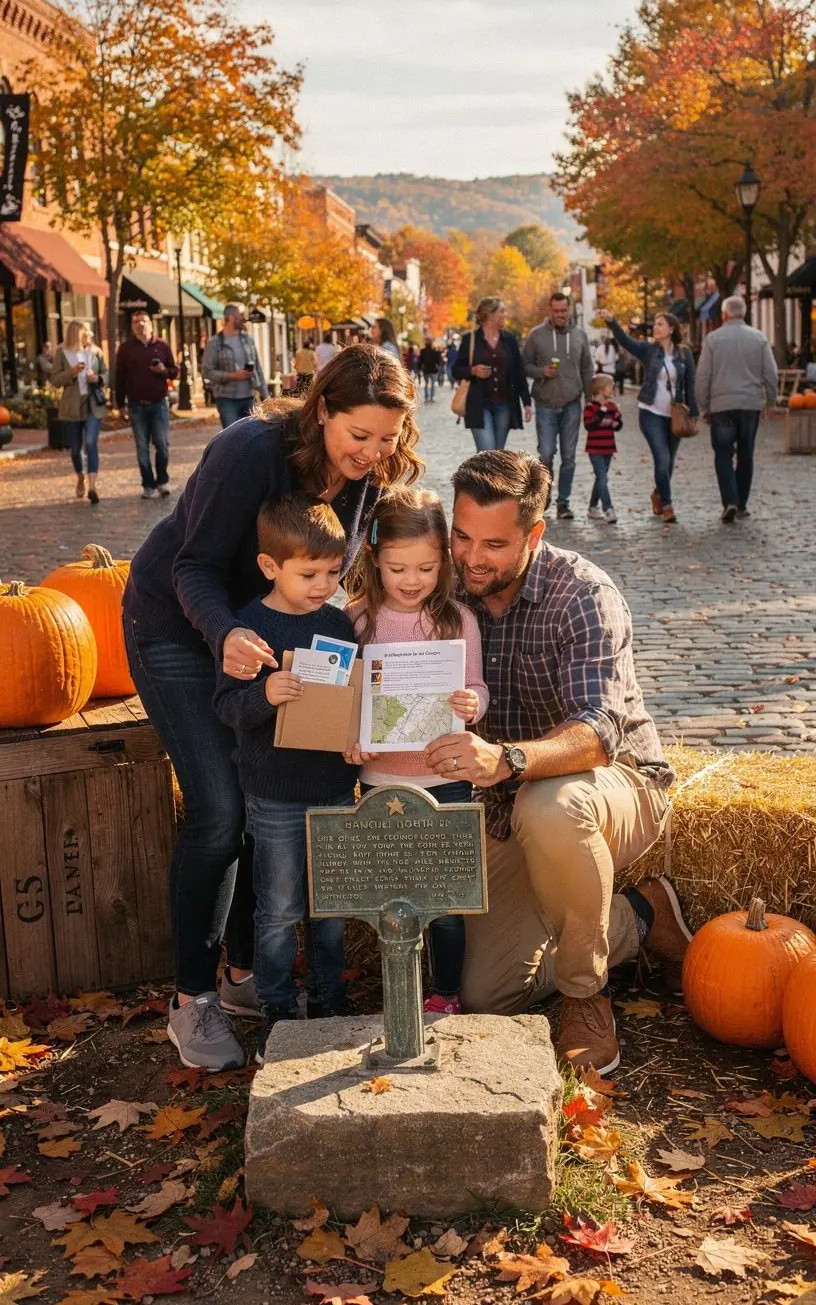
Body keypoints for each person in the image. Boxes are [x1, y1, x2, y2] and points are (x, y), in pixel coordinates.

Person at [123, 346, 421, 1071]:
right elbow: (192, 564)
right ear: (323, 410)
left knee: (272, 790)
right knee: (221, 807)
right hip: (177, 624)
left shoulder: (369, 476)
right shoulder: (247, 451)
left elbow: (344, 575)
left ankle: (244, 975)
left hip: (270, 636)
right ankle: (191, 1000)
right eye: (359, 436)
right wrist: (225, 634)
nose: (372, 453)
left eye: (388, 439)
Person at [424, 449, 690, 1075]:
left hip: (615, 785)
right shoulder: (443, 591)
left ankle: (584, 993)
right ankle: (642, 914)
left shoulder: (584, 594)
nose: (470, 557)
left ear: (534, 534)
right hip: (501, 805)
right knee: (487, 992)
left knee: (551, 805)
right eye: (461, 536)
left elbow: (599, 732)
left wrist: (508, 760)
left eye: (493, 543)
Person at [212, 493, 359, 1062]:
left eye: (332, 571)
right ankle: (276, 1004)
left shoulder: (338, 623)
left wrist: (354, 734)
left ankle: (329, 997)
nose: (323, 584)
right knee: (277, 908)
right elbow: (226, 705)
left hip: (330, 788)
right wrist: (264, 695)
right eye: (309, 573)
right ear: (271, 567)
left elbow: (351, 697)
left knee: (331, 905)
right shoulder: (249, 627)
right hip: (272, 793)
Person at [345, 487, 489, 1016]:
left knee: (446, 901)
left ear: (444, 563)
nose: (411, 581)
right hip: (378, 777)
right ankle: (397, 989)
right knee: (391, 893)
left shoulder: (458, 621)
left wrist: (472, 703)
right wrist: (351, 736)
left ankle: (445, 992)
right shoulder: (358, 619)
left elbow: (477, 685)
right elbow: (348, 698)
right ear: (375, 560)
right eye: (397, 568)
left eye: (426, 569)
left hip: (445, 775)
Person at [600, 309, 698, 525]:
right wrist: (612, 321)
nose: (656, 328)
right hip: (650, 412)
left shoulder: (684, 354)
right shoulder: (648, 350)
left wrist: (695, 412)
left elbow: (690, 384)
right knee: (661, 458)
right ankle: (667, 505)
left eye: (661, 324)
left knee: (669, 461)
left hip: (675, 415)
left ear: (671, 329)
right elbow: (625, 341)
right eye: (655, 324)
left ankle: (657, 493)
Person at [694, 295, 779, 523]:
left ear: (724, 314)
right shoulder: (759, 338)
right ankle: (741, 504)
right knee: (746, 454)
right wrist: (771, 401)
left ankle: (730, 500)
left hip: (721, 405)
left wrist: (702, 405)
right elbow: (770, 373)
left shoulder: (713, 339)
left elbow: (703, 375)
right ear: (744, 313)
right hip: (750, 404)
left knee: (723, 453)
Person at [522, 292, 594, 520]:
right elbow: (524, 365)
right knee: (546, 454)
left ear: (569, 310)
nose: (561, 314)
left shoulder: (580, 335)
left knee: (569, 456)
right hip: (545, 403)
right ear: (550, 311)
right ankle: (544, 497)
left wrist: (590, 400)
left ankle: (564, 503)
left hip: (572, 403)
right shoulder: (536, 336)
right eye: (556, 311)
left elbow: (587, 369)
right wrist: (541, 372)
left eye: (564, 310)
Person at [453, 297, 532, 451]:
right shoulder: (470, 340)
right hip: (478, 405)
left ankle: (487, 476)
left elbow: (518, 372)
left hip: (504, 405)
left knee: (497, 454)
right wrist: (473, 371)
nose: (505, 315)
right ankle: (482, 475)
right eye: (501, 311)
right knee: (486, 452)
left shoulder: (509, 340)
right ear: (490, 315)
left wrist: (527, 403)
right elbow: (456, 370)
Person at [115, 311, 179, 499]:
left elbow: (175, 372)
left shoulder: (161, 346)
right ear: (132, 326)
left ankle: (162, 481)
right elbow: (119, 377)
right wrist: (119, 404)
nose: (139, 324)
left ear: (150, 324)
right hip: (136, 405)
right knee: (142, 447)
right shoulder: (126, 349)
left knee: (162, 444)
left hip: (158, 403)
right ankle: (148, 484)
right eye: (135, 321)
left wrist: (163, 370)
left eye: (143, 320)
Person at [52, 321, 108, 506]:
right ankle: (80, 478)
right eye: (85, 334)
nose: (88, 337)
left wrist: (98, 378)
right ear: (76, 334)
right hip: (72, 407)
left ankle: (93, 486)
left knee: (91, 442)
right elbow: (55, 380)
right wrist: (72, 372)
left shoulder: (96, 351)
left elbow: (106, 374)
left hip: (92, 405)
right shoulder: (62, 352)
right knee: (75, 449)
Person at [202, 303, 269, 429]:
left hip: (249, 397)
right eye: (241, 315)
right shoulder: (214, 343)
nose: (244, 318)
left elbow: (258, 369)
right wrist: (232, 376)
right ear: (231, 317)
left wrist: (266, 397)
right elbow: (207, 372)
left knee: (252, 435)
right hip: (226, 400)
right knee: (233, 436)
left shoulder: (248, 340)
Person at [584, 374, 622, 524]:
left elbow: (618, 426)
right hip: (595, 449)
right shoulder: (590, 407)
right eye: (610, 386)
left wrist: (617, 421)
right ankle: (608, 509)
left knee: (601, 479)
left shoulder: (612, 407)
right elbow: (589, 425)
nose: (613, 388)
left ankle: (592, 508)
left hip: (609, 448)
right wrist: (601, 411)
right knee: (602, 478)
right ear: (601, 390)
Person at [420, 337, 439, 403]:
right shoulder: (432, 351)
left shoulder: (433, 351)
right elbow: (421, 361)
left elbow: (420, 361)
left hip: (430, 369)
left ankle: (430, 397)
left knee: (429, 384)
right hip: (429, 370)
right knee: (429, 384)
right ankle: (429, 397)